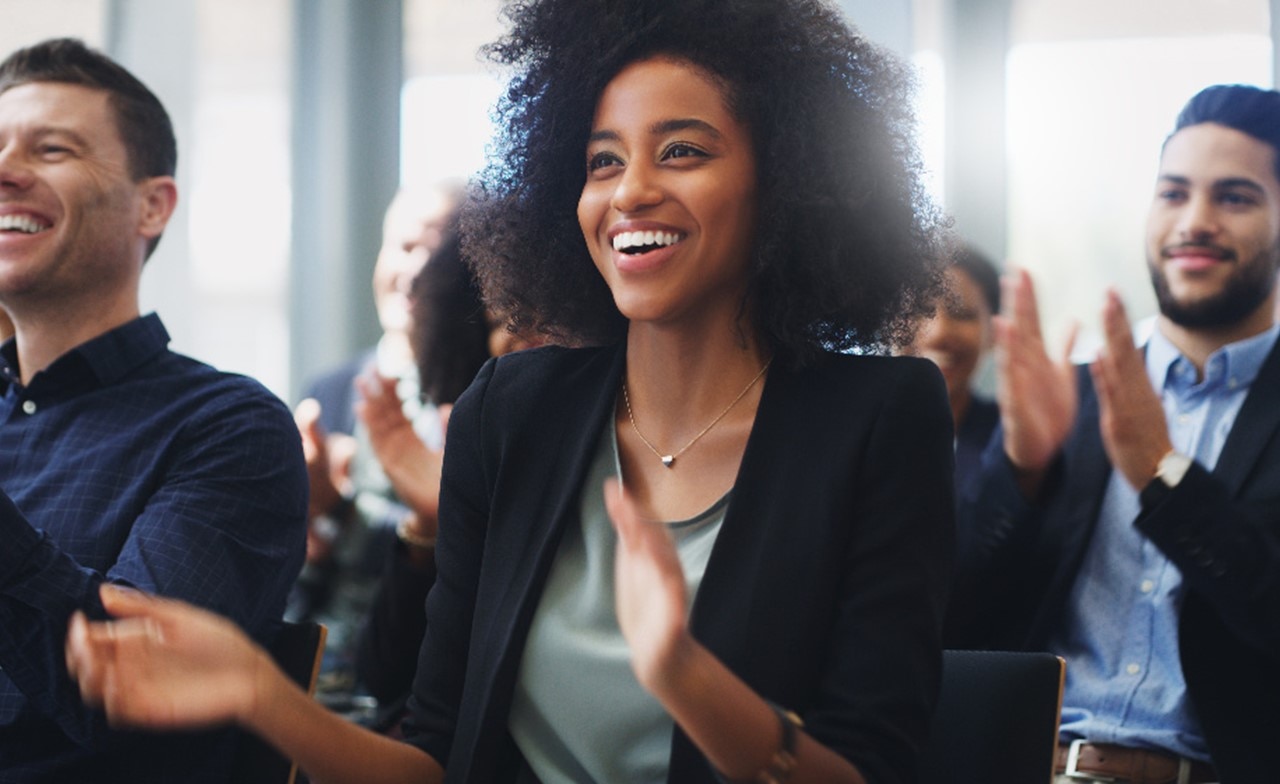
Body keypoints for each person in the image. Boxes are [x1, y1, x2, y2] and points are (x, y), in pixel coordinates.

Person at [64, 1, 954, 782]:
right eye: (602, 162)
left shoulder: (880, 419)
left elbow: (868, 768)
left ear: (789, 186)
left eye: (682, 151)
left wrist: (687, 677)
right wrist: (260, 692)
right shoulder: (514, 409)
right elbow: (437, 761)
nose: (631, 191)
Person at [949, 84, 1280, 784]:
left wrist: (1166, 476)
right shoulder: (1069, 399)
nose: (1196, 220)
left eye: (1235, 197)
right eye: (1173, 193)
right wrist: (1023, 468)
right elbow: (950, 619)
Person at [0, 38, 307, 781]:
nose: (5, 170)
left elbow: (133, 699)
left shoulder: (230, 427)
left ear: (152, 204)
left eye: (51, 149)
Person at [290, 185, 461, 700]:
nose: (415, 270)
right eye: (405, 248)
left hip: (410, 684)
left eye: (436, 251)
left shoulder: (479, 398)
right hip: (312, 671)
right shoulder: (331, 389)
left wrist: (339, 512)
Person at [902, 243, 1000, 496]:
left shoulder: (1011, 442)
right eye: (918, 310)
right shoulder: (846, 433)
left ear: (995, 332)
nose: (939, 332)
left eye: (962, 313)